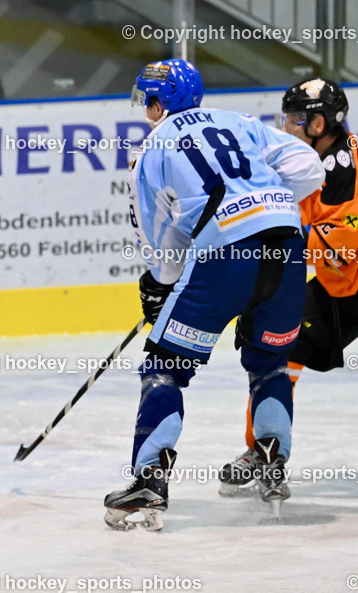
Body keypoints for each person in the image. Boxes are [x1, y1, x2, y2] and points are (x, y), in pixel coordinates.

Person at [103, 59, 325, 530]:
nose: (147, 109)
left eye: (148, 100)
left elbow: (157, 234)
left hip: (225, 261)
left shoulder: (152, 149)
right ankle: (272, 458)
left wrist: (160, 284)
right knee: (270, 364)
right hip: (287, 251)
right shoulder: (240, 123)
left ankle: (148, 483)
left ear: (159, 103)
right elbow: (309, 166)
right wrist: (266, 200)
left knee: (164, 368)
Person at [220, 78, 358, 492]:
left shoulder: (349, 164)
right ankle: (266, 449)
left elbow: (337, 245)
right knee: (281, 344)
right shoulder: (304, 161)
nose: (285, 127)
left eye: (294, 119)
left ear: (319, 124)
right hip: (343, 283)